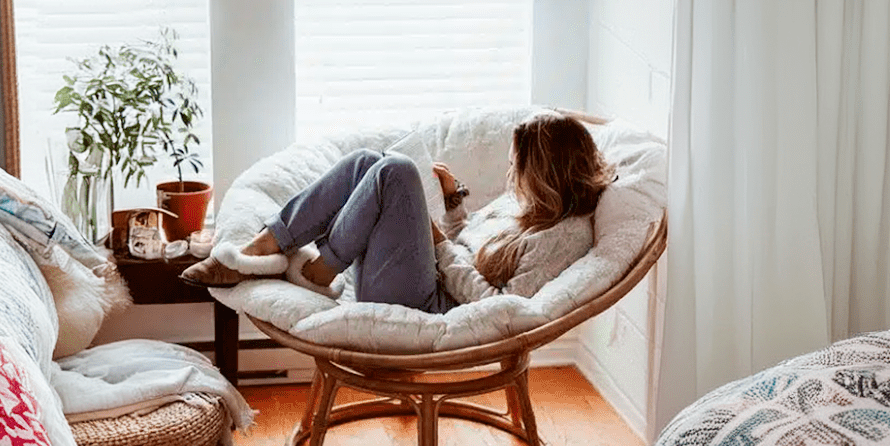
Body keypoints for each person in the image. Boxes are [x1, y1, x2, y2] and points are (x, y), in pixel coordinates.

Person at [179, 111, 615, 314]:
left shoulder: (565, 235)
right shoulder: (530, 204)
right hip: (423, 277)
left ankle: (319, 270)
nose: (510, 175)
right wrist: (453, 199)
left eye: (517, 167)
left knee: (396, 171)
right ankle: (264, 246)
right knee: (368, 161)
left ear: (547, 173)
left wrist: (438, 243)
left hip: (435, 305)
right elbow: (470, 243)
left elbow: (501, 307)